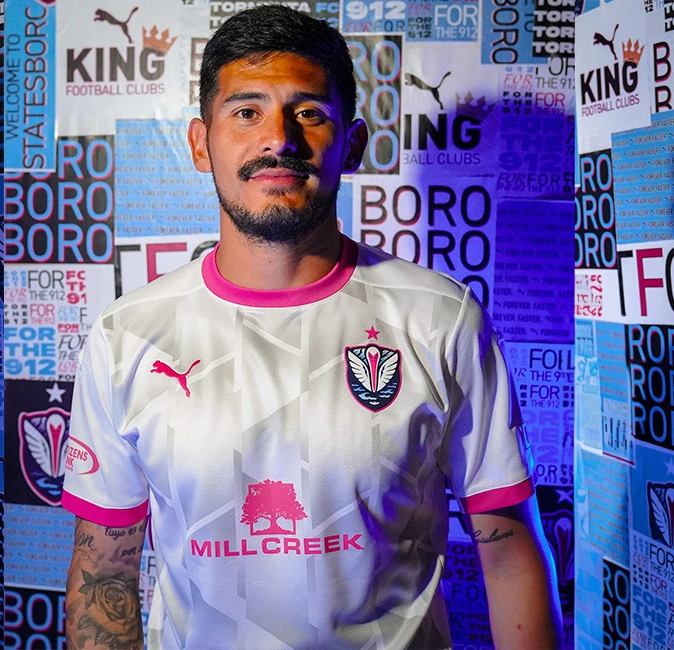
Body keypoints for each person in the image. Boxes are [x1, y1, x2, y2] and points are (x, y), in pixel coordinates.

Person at [62, 6, 564, 649]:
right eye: (247, 112)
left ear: (352, 144)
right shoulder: (127, 335)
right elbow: (105, 570)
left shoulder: (440, 319)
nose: (279, 139)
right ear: (200, 143)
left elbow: (509, 554)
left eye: (308, 113)